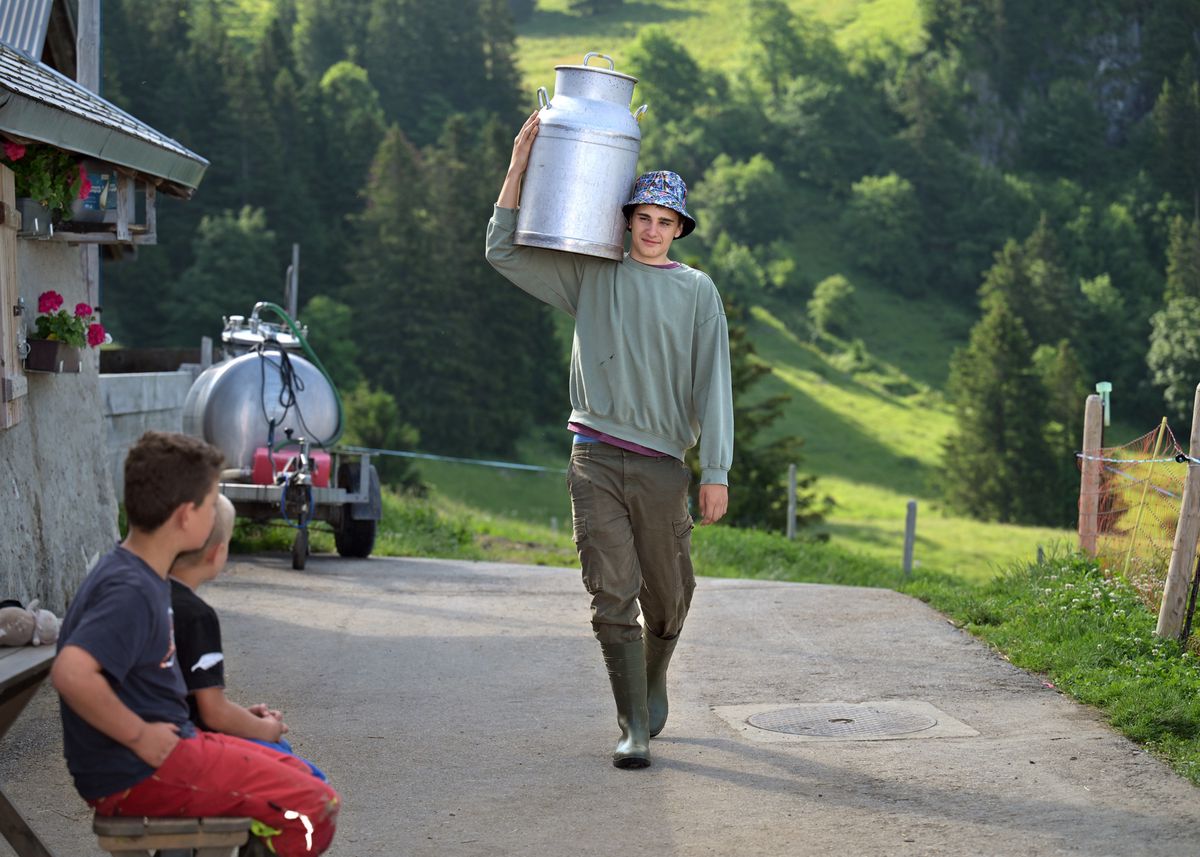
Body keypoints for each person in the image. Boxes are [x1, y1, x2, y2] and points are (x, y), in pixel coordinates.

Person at [485, 111, 734, 769]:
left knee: (670, 599)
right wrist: (517, 168)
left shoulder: (697, 291)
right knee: (611, 593)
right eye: (643, 217)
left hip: (663, 466)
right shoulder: (594, 273)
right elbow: (503, 251)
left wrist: (717, 470)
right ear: (626, 221)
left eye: (665, 221)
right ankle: (633, 725)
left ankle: (651, 679)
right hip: (593, 455)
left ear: (679, 229)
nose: (652, 229)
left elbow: (715, 383)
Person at [52, 431, 339, 856]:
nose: (213, 512)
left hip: (159, 754)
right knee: (315, 806)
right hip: (137, 771)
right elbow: (71, 671)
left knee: (304, 775)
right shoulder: (130, 589)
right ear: (187, 516)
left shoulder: (135, 571)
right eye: (210, 503)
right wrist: (139, 735)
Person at [170, 493, 326, 781]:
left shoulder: (151, 593)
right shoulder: (196, 615)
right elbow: (214, 713)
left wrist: (243, 718)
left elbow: (196, 697)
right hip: (182, 747)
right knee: (305, 774)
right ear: (217, 553)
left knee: (277, 748)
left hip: (157, 734)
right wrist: (265, 728)